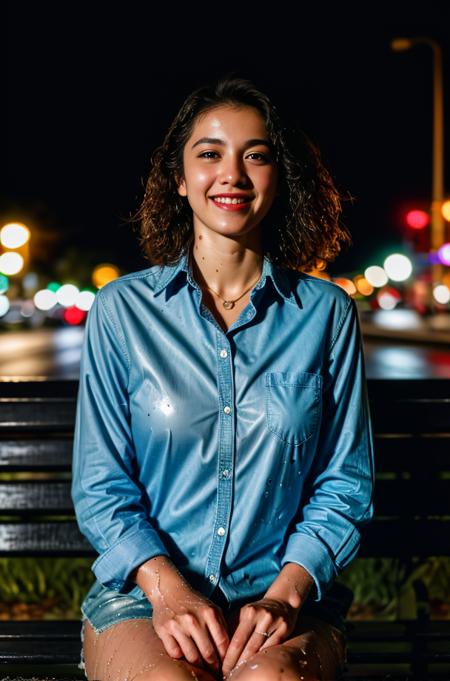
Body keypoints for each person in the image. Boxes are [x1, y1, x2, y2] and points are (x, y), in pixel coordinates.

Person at [71, 76, 375, 681]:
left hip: (283, 604)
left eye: (255, 155)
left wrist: (285, 595)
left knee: (268, 679)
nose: (231, 174)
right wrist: (167, 592)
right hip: (143, 598)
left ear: (279, 178)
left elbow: (345, 483)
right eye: (209, 154)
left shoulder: (325, 314)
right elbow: (101, 485)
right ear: (180, 180)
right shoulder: (121, 312)